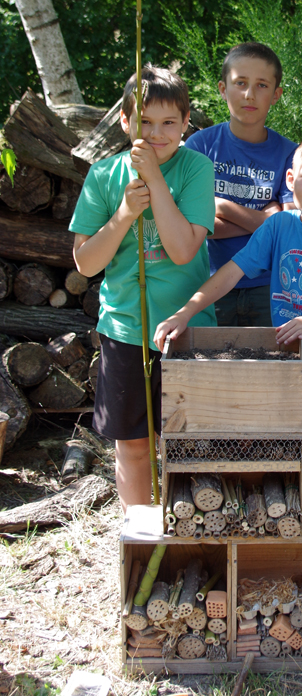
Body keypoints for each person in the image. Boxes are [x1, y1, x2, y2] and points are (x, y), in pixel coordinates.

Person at [155, 128, 302, 426]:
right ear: (290, 180)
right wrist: (185, 313)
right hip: (285, 373)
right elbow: (229, 274)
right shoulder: (278, 226)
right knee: (284, 462)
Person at [69, 68, 217, 511]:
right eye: (144, 122)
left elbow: (183, 250)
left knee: (190, 445)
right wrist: (124, 215)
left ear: (186, 121)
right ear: (124, 122)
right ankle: (141, 536)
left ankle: (190, 532)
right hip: (125, 330)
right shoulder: (103, 175)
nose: (156, 134)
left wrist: (155, 181)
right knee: (133, 446)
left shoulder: (195, 168)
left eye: (168, 122)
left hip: (186, 331)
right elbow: (86, 262)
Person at [184, 42, 297, 327]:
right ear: (223, 89)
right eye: (240, 83)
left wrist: (222, 207)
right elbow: (190, 227)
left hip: (268, 287)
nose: (249, 94)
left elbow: (290, 228)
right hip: (207, 286)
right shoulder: (200, 146)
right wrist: (267, 218)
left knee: (267, 371)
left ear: (276, 95)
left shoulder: (290, 154)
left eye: (261, 85)